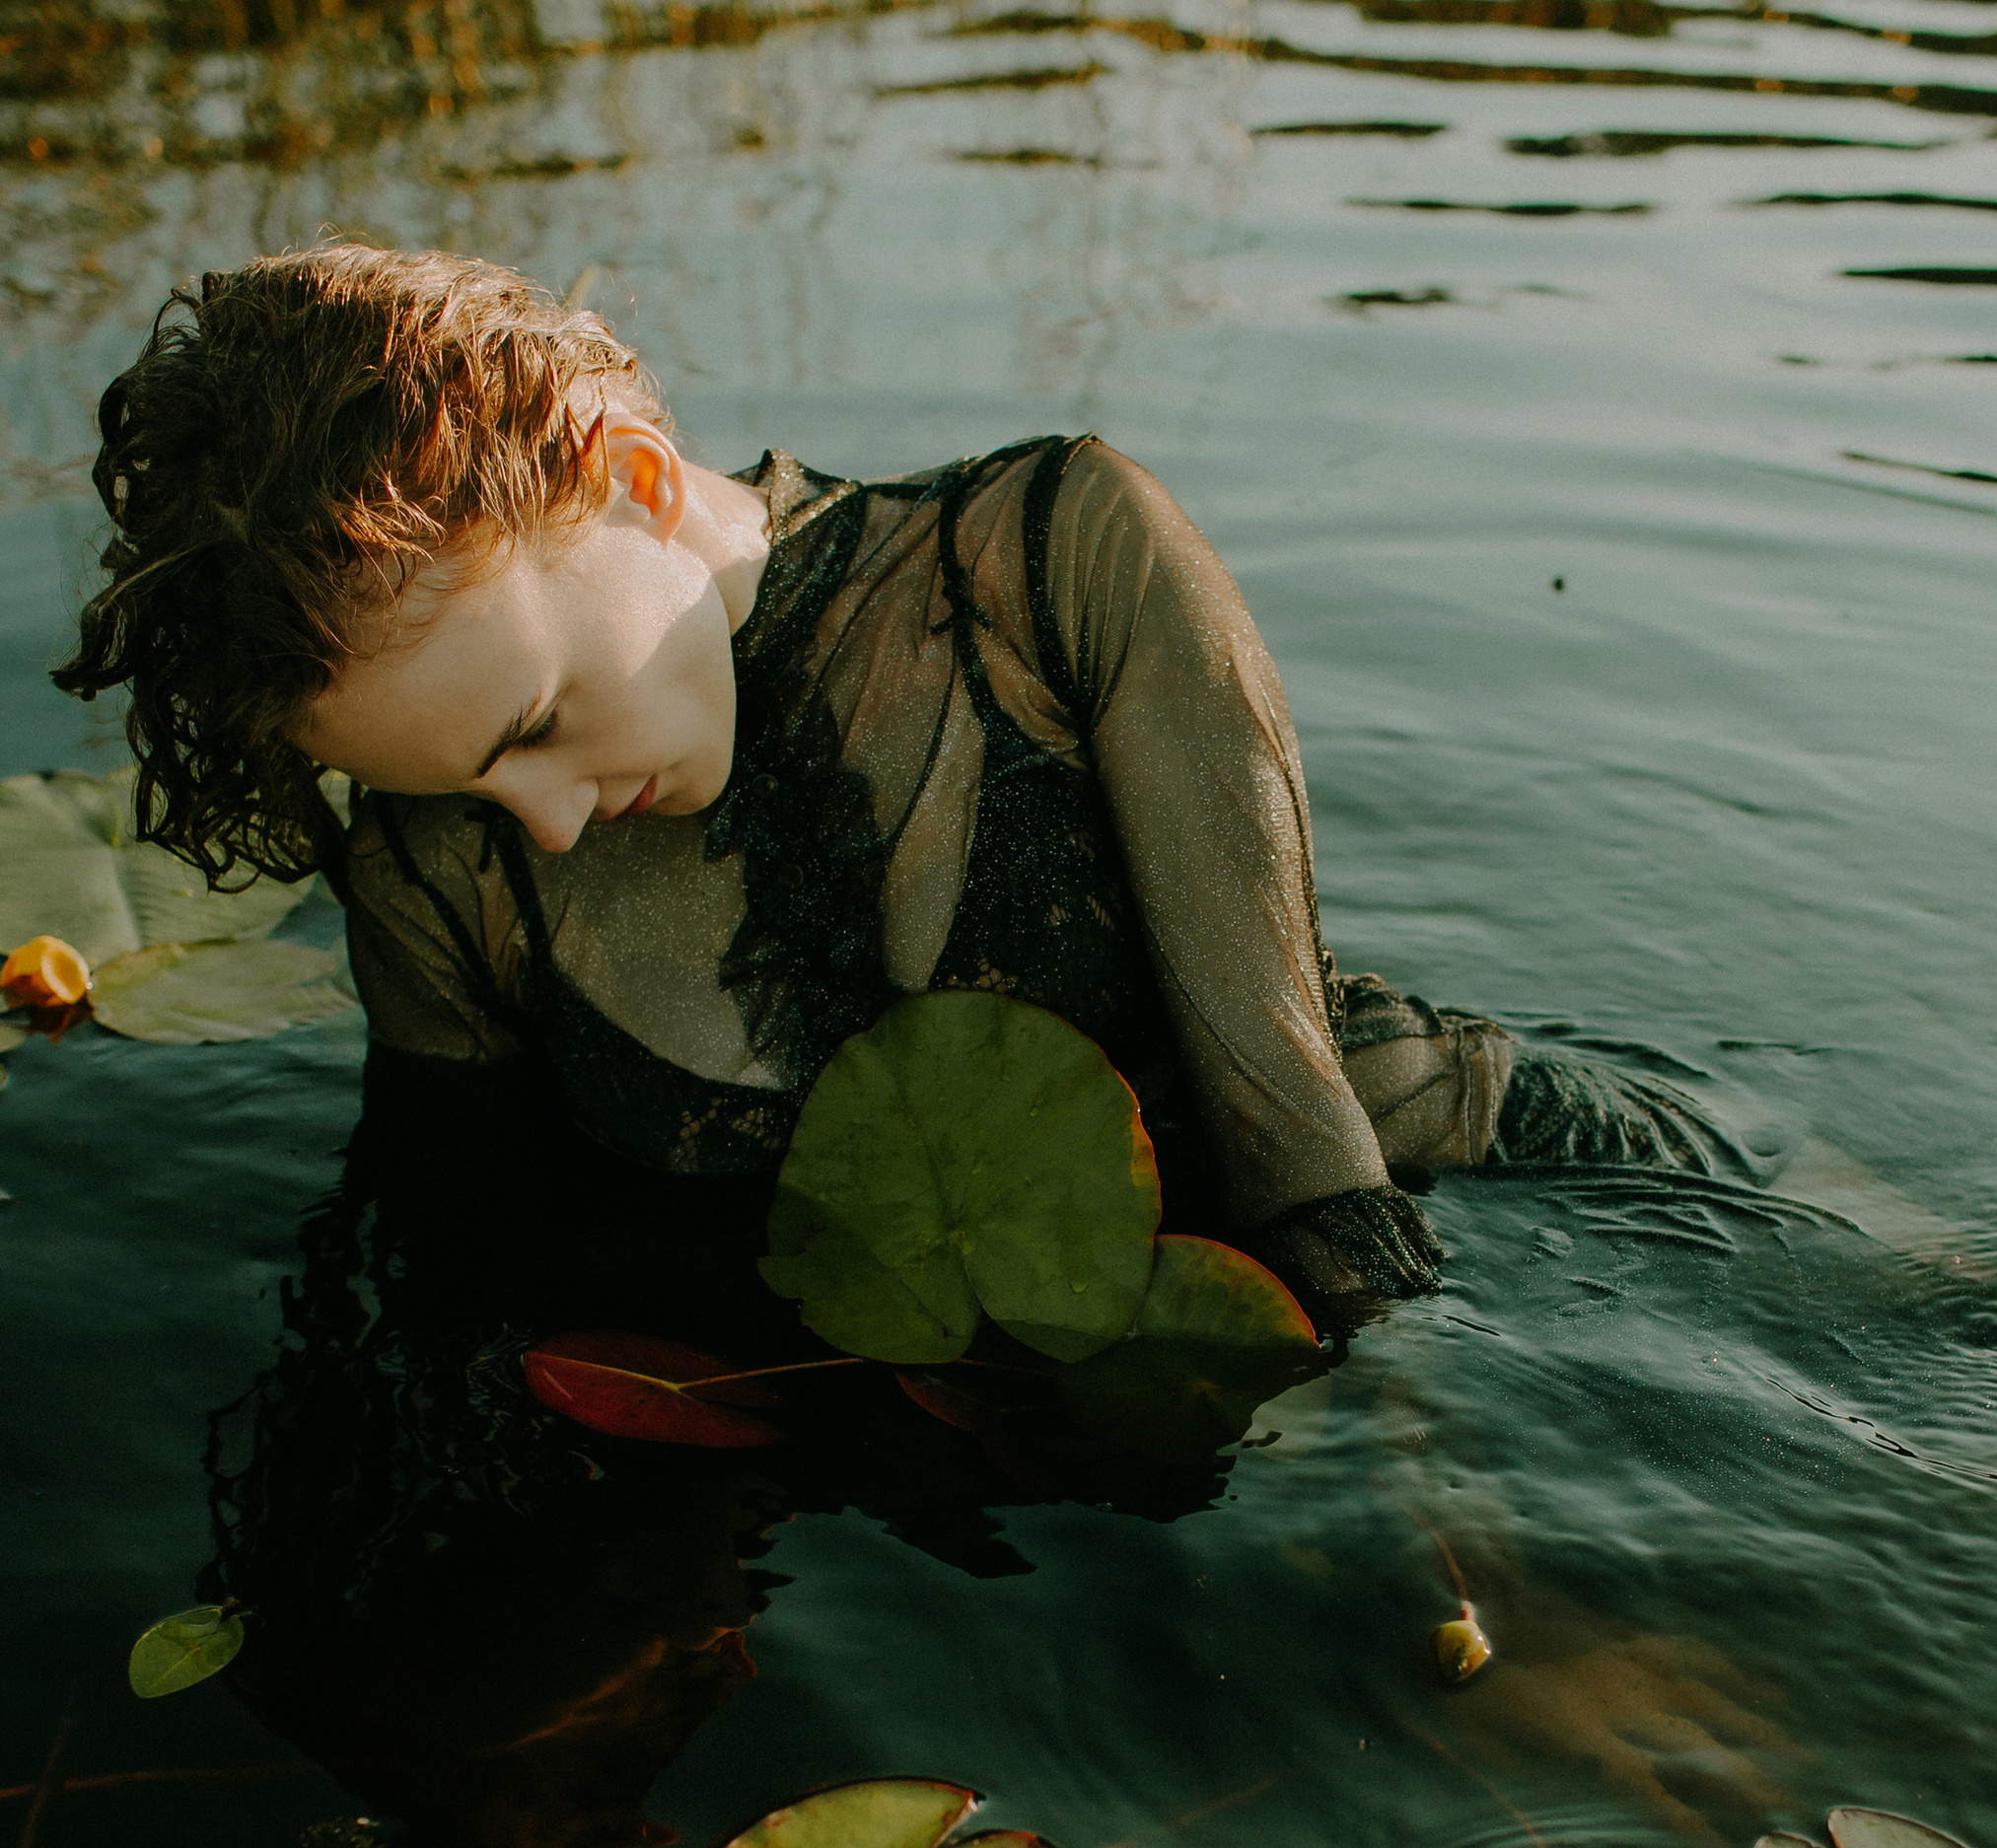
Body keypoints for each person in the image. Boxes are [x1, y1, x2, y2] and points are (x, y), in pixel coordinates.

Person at [53, 245, 1760, 1327]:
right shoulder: (430, 870)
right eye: (464, 796)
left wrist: (1408, 1493)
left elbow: (1292, 1140)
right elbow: (447, 1277)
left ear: (625, 474)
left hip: (1541, 1215)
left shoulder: (1056, 563)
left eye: (536, 726)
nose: (546, 822)